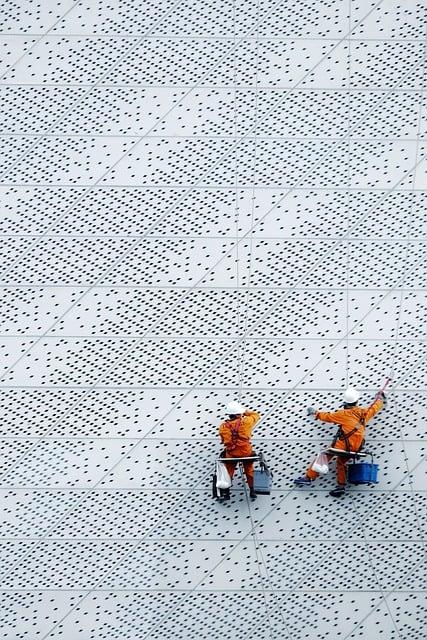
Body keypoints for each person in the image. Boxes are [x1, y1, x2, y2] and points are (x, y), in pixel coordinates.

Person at [294, 387, 385, 497]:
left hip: (344, 446)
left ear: (345, 402)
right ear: (356, 401)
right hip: (356, 447)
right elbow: (374, 408)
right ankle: (341, 487)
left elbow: (328, 417)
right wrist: (379, 399)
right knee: (341, 462)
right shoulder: (363, 414)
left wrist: (315, 413)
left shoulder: (343, 414)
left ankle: (308, 477)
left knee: (325, 454)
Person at [219, 401, 260, 500]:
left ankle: (226, 492)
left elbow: (223, 440)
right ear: (238, 413)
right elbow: (256, 415)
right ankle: (252, 490)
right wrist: (245, 411)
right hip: (245, 452)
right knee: (249, 469)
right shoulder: (246, 422)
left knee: (229, 470)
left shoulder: (223, 426)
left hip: (232, 453)